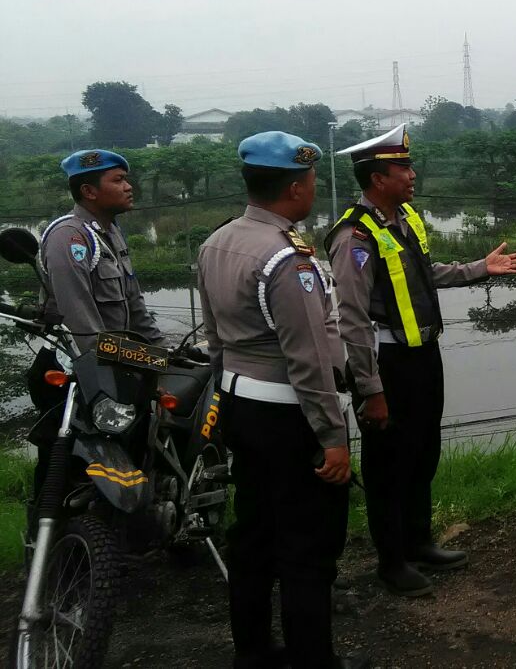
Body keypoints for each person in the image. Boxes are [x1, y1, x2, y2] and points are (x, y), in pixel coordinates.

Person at [325, 124, 516, 596]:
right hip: (387, 362)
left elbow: (423, 273)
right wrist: (370, 388)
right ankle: (391, 561)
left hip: (422, 357)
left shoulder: (406, 219)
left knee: (422, 453)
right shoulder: (354, 237)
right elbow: (351, 319)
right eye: (403, 168)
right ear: (378, 179)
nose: (412, 175)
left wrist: (480, 268)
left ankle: (419, 542)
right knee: (388, 463)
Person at [198, 131, 366, 669]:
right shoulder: (286, 259)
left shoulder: (217, 242)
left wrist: (222, 403)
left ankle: (253, 650)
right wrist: (332, 439)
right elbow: (311, 361)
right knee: (305, 549)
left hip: (239, 404)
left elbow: (215, 338)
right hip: (288, 414)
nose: (314, 188)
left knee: (252, 535)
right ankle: (313, 660)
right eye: (312, 180)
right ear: (296, 187)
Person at [40, 149, 163, 353]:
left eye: (126, 180)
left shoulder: (111, 232)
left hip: (117, 361)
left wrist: (163, 352)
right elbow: (83, 329)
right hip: (82, 371)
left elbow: (135, 306)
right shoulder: (69, 238)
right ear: (89, 192)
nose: (128, 187)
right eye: (118, 181)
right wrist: (143, 365)